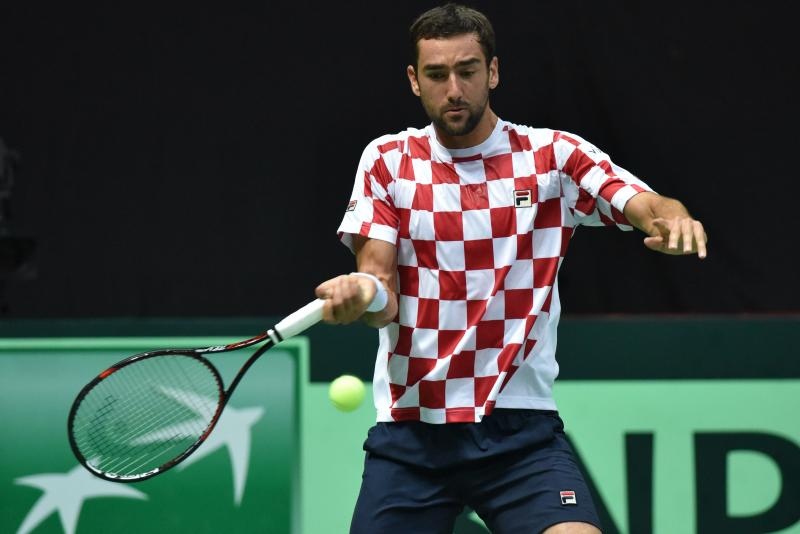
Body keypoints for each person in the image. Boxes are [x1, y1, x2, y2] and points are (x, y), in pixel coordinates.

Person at [315, 4, 707, 533]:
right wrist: (360, 294)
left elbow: (647, 203)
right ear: (414, 81)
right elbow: (381, 290)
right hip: (413, 432)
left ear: (493, 72)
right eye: (437, 74)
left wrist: (675, 221)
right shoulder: (388, 160)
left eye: (468, 71)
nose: (454, 88)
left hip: (519, 430)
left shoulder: (552, 158)